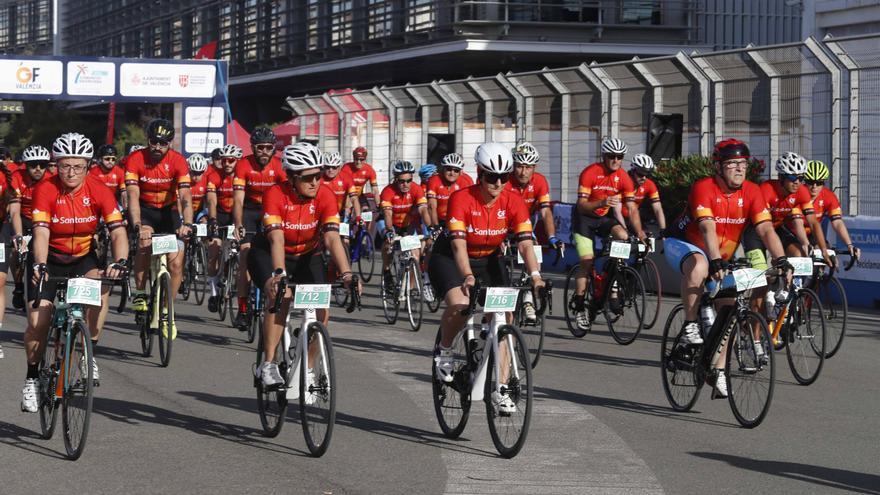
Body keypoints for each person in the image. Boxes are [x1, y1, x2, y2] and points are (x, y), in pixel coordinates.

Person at [663, 139, 790, 398]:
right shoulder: (704, 187)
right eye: (732, 164)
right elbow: (707, 227)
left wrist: (781, 260)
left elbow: (766, 229)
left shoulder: (752, 192)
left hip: (720, 255)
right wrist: (715, 259)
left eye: (743, 163)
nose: (739, 169)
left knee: (730, 308)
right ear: (719, 167)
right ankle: (689, 325)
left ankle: (718, 370)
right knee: (699, 265)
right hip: (684, 245)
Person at [428, 142, 544, 414]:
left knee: (504, 316)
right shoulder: (461, 198)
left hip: (489, 258)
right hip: (452, 258)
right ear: (479, 174)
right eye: (492, 177)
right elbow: (458, 244)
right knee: (460, 305)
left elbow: (526, 243)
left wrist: (537, 276)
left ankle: (502, 388)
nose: (498, 183)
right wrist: (467, 275)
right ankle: (445, 350)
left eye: (504, 177)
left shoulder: (513, 200)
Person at [21, 133, 128, 412]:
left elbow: (117, 230)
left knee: (101, 291)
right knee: (38, 322)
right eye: (64, 165)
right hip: (50, 258)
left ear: (88, 166)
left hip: (82, 257)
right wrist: (40, 264)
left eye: (78, 166)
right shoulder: (45, 189)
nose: (70, 172)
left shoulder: (100, 189)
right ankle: (32, 377)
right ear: (55, 165)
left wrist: (120, 260)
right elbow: (41, 231)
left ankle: (87, 349)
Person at [250, 141, 356, 389]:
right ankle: (268, 364)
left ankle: (307, 368)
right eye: (308, 177)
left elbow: (331, 237)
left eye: (318, 175)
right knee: (282, 296)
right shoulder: (275, 194)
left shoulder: (326, 195)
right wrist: (278, 275)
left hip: (308, 255)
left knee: (321, 307)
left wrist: (347, 273)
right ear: (291, 177)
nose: (315, 182)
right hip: (270, 253)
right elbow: (276, 239)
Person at [570, 138, 648, 332]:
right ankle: (580, 306)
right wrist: (602, 203)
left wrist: (640, 234)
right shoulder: (590, 173)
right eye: (611, 156)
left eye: (619, 157)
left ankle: (612, 277)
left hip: (602, 219)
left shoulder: (624, 178)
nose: (615, 160)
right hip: (584, 218)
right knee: (587, 261)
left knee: (623, 236)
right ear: (603, 156)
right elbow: (581, 204)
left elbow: (632, 208)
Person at [125, 118, 193, 335]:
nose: (157, 147)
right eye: (154, 142)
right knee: (144, 243)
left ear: (170, 143)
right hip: (144, 210)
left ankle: (167, 311)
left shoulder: (178, 161)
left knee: (176, 262)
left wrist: (188, 224)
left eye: (163, 143)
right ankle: (140, 292)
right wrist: (137, 224)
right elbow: (133, 196)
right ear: (148, 140)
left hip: (168, 212)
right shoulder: (135, 159)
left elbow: (185, 196)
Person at [231, 127, 286, 330]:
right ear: (253, 148)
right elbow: (237, 200)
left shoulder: (279, 166)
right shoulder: (243, 165)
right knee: (245, 255)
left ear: (274, 149)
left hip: (271, 211)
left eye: (268, 148)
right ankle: (243, 309)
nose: (264, 151)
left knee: (274, 250)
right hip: (249, 211)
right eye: (260, 147)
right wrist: (238, 224)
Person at [504, 141, 562, 322]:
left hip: (525, 224)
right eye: (520, 166)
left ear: (534, 167)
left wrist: (552, 237)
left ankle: (528, 299)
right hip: (503, 223)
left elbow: (545, 212)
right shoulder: (505, 181)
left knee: (534, 250)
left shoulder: (540, 182)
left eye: (528, 167)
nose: (523, 172)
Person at [9, 145, 54, 310]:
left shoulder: (51, 179)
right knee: (17, 251)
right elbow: (14, 211)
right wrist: (19, 236)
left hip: (42, 219)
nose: (38, 169)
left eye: (42, 165)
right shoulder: (16, 177)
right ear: (25, 165)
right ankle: (19, 285)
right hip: (23, 218)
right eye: (33, 165)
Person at [379, 160, 434, 294]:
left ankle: (410, 289)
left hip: (407, 225)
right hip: (390, 224)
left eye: (409, 180)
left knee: (415, 255)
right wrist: (389, 231)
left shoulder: (416, 189)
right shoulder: (388, 191)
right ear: (396, 179)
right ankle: (386, 272)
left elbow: (423, 210)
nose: (406, 184)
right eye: (402, 181)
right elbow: (387, 213)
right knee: (388, 247)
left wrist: (431, 227)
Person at [205, 144, 241, 313]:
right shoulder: (214, 176)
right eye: (223, 160)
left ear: (237, 161)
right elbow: (211, 200)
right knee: (214, 251)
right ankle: (213, 291)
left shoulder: (242, 176)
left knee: (239, 251)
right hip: (219, 215)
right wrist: (212, 220)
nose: (226, 163)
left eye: (231, 160)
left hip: (237, 216)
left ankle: (231, 272)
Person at [803, 160, 860, 260]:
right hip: (792, 232)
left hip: (812, 232)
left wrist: (849, 244)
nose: (814, 187)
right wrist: (804, 243)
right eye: (811, 182)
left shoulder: (828, 196)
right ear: (805, 181)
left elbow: (837, 222)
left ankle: (819, 275)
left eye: (819, 183)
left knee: (826, 257)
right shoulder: (798, 195)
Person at [425, 152, 473, 227]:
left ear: (460, 172)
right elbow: (431, 206)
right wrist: (435, 227)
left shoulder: (466, 181)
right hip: (439, 220)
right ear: (443, 169)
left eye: (456, 170)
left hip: (459, 220)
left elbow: (470, 205)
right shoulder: (434, 180)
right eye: (449, 169)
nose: (452, 173)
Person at [623, 153, 666, 234]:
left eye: (647, 174)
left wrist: (663, 230)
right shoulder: (623, 181)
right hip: (618, 218)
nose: (644, 178)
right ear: (633, 170)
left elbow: (658, 209)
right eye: (640, 174)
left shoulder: (650, 184)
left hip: (634, 218)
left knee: (647, 237)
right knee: (622, 236)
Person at [88, 143, 127, 209]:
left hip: (114, 202)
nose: (110, 161)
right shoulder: (93, 172)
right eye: (107, 159)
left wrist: (125, 209)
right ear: (100, 159)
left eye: (113, 159)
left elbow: (124, 193)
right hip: (96, 203)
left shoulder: (120, 172)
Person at [187, 154, 211, 221]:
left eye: (200, 173)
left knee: (204, 222)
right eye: (194, 172)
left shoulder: (207, 180)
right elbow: (179, 202)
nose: (197, 176)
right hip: (185, 211)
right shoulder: (183, 179)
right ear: (189, 170)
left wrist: (205, 214)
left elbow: (209, 201)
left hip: (199, 211)